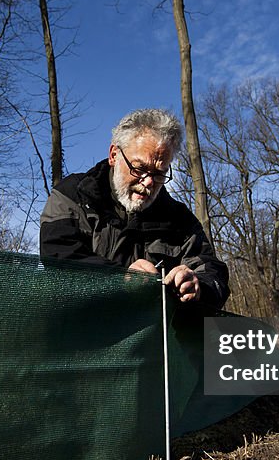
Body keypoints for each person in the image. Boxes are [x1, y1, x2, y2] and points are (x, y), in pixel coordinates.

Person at [40, 108, 230, 309]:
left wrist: (199, 286)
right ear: (114, 155)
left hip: (154, 336)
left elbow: (213, 271)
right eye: (139, 169)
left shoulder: (179, 219)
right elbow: (58, 259)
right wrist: (121, 278)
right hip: (81, 331)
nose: (148, 182)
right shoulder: (72, 195)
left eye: (159, 174)